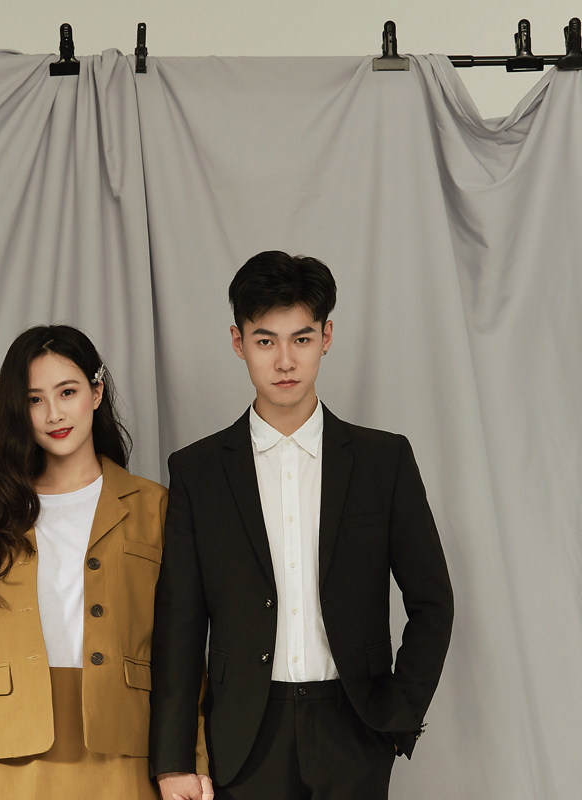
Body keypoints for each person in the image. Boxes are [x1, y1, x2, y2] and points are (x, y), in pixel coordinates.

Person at [150, 252, 454, 800]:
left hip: (353, 726)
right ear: (239, 342)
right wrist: (173, 759)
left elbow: (433, 602)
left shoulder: (383, 461)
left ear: (326, 337)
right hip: (244, 735)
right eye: (265, 341)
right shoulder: (197, 471)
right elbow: (180, 627)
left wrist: (397, 716)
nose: (285, 361)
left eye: (302, 339)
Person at [0, 324, 210, 800]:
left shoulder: (154, 507)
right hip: (13, 762)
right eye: (34, 399)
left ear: (96, 392)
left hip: (126, 752)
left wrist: (190, 762)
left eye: (67, 392)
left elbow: (182, 652)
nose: (54, 414)